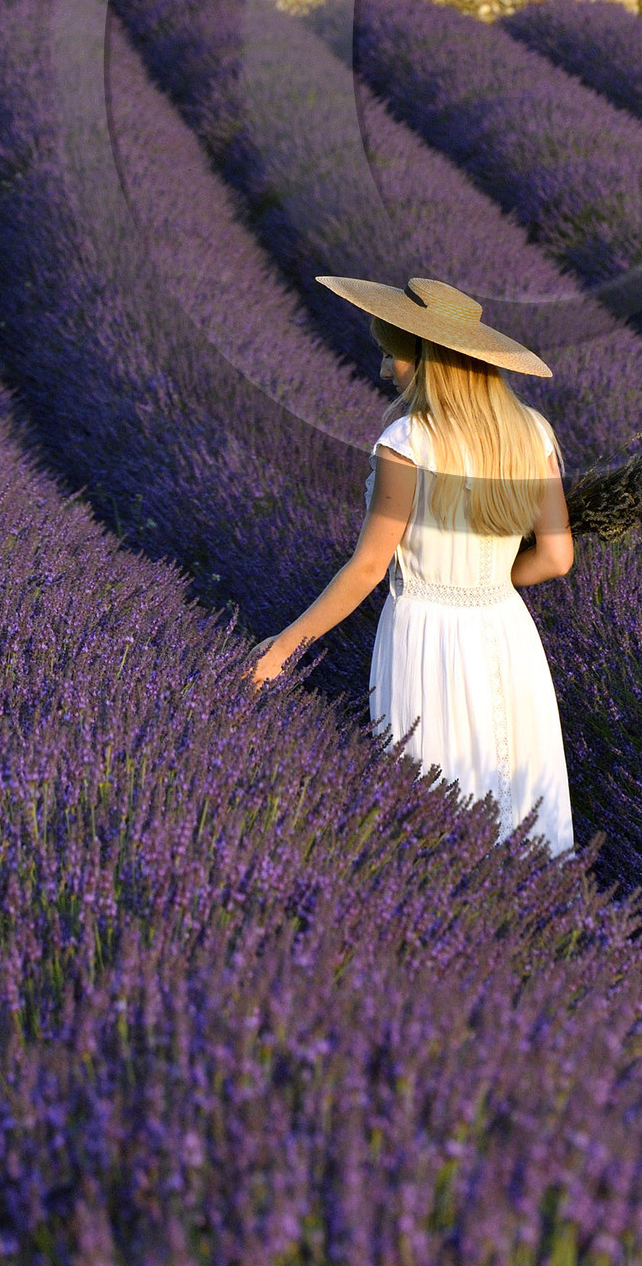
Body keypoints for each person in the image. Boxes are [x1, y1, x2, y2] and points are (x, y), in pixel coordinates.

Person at [247, 274, 575, 857]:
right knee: (523, 816)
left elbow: (369, 567)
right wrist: (492, 583)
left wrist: (282, 650)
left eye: (392, 354)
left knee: (429, 819)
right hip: (508, 634)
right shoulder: (533, 433)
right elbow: (556, 557)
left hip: (428, 641)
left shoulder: (408, 440)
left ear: (427, 359)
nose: (383, 369)